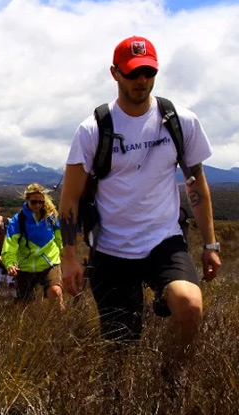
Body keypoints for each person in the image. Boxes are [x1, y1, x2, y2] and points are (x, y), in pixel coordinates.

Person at [59, 36, 221, 346]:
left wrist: (210, 243)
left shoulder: (180, 122)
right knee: (121, 346)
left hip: (164, 240)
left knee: (189, 304)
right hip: (111, 248)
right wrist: (70, 257)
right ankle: (124, 393)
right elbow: (70, 198)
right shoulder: (93, 129)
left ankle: (173, 382)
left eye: (148, 71)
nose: (142, 80)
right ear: (114, 73)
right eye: (132, 72)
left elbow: (196, 183)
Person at [1, 184, 64, 309]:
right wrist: (10, 263)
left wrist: (68, 258)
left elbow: (60, 240)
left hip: (49, 262)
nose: (37, 205)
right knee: (24, 306)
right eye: (34, 202)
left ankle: (61, 324)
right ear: (27, 200)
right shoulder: (18, 220)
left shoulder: (51, 217)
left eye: (41, 202)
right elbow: (10, 244)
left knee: (55, 292)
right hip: (25, 266)